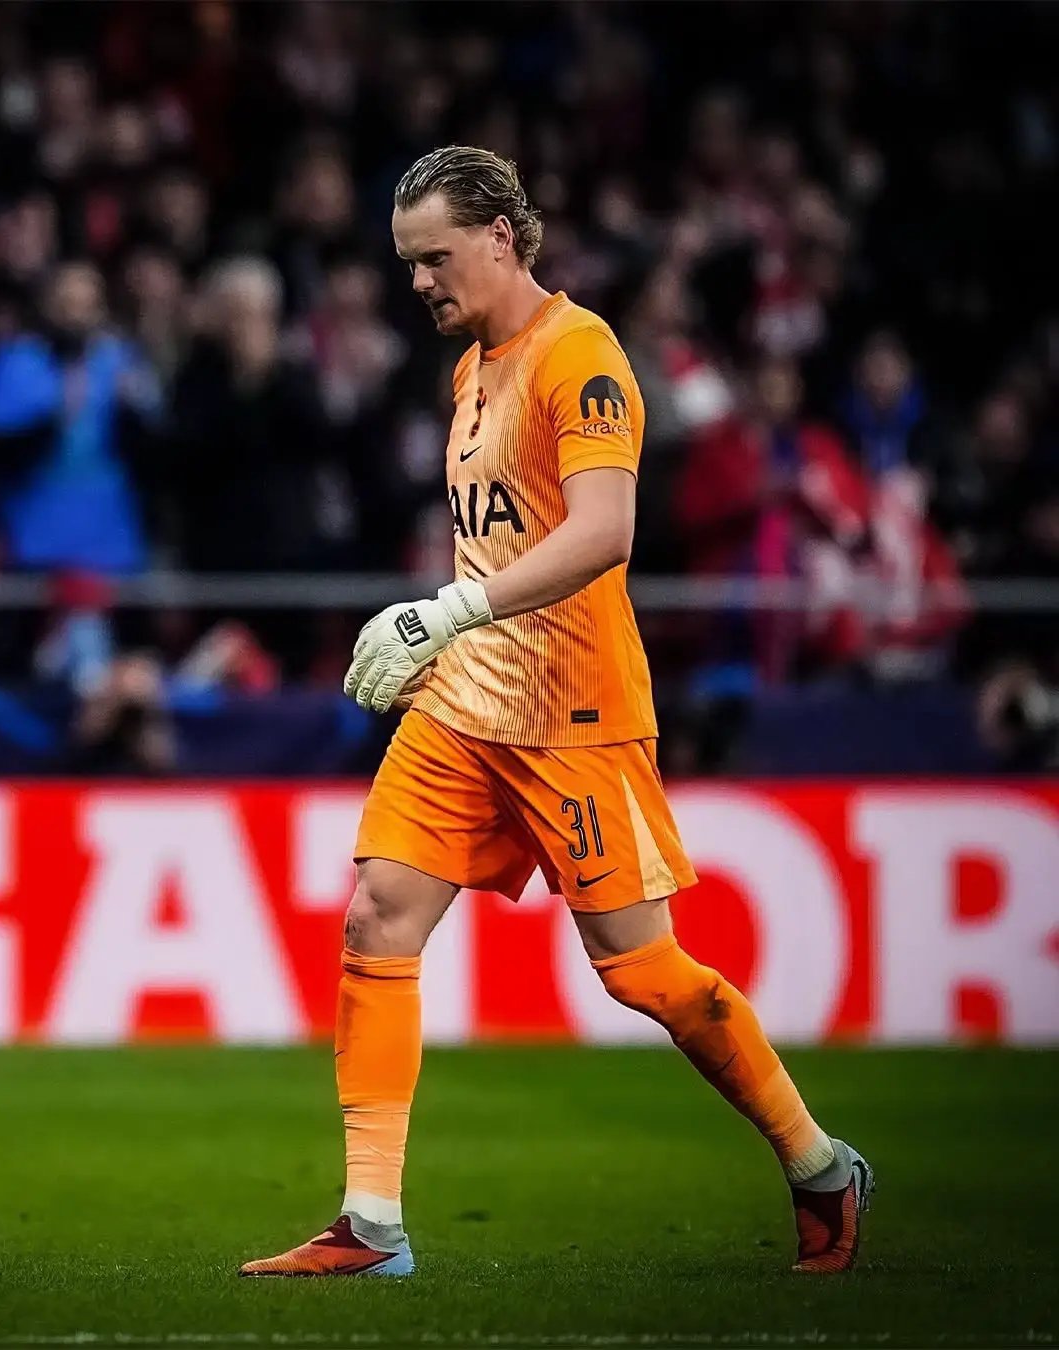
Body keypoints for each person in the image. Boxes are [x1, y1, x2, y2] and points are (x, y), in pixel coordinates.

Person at [240, 146, 873, 1281]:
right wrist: (451, 634)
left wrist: (448, 609)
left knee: (641, 970)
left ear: (502, 237)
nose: (419, 282)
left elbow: (604, 533)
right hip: (467, 703)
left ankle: (819, 1163)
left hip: (575, 711)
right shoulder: (471, 371)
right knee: (377, 916)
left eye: (435, 258)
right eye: (407, 263)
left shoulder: (580, 354)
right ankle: (371, 1226)